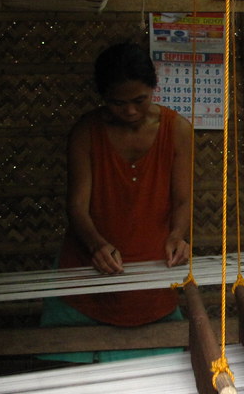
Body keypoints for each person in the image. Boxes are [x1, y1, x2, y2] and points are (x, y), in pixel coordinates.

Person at [40, 41, 192, 362]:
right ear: (103, 98)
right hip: (88, 272)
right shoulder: (86, 132)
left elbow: (182, 200)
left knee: (158, 377)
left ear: (154, 87)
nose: (131, 111)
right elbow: (77, 206)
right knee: (75, 383)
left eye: (140, 100)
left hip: (152, 272)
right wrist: (96, 245)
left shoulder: (177, 130)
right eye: (117, 103)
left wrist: (178, 236)